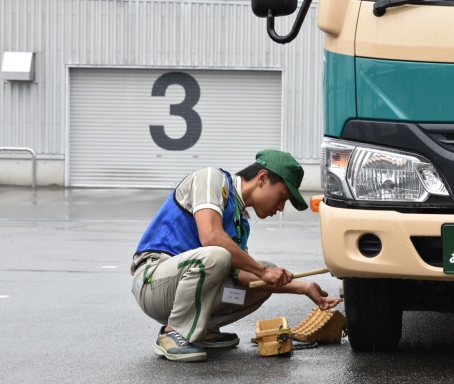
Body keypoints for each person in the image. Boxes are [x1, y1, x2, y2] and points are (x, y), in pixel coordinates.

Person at [130, 150, 342, 362]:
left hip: (180, 289)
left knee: (260, 277)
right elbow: (211, 237)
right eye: (282, 197)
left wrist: (305, 288)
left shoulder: (241, 221)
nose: (280, 207)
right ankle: (174, 333)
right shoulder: (211, 178)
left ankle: (203, 329)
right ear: (262, 178)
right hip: (154, 282)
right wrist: (263, 272)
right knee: (223, 257)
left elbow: (243, 276)